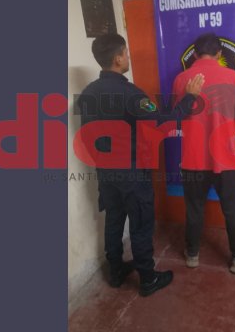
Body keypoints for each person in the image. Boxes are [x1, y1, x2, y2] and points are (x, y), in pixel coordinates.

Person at [77, 33, 204, 297]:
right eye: (126, 53)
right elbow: (163, 122)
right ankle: (148, 279)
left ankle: (116, 272)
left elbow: (86, 138)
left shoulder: (87, 94)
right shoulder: (130, 93)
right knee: (141, 224)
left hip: (106, 173)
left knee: (114, 220)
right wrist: (190, 98)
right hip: (132, 173)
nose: (128, 57)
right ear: (117, 58)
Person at [172, 32, 235, 275]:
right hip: (226, 158)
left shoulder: (181, 79)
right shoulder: (234, 78)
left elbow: (178, 117)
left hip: (192, 159)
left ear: (195, 54)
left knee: (194, 209)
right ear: (219, 53)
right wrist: (225, 137)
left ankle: (192, 255)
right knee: (232, 210)